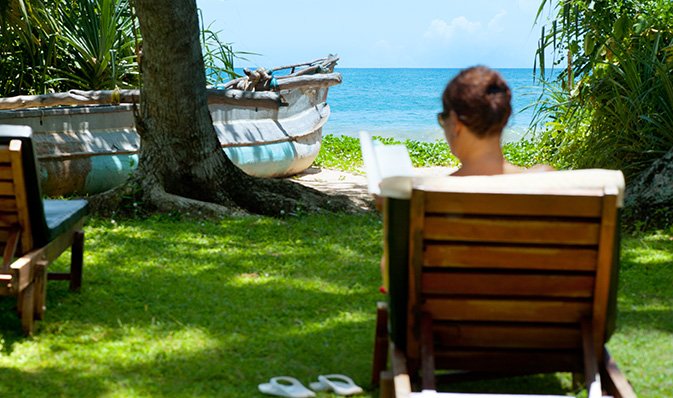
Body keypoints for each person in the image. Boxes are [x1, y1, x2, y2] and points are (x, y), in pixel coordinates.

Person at [438, 65, 552, 176]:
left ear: (454, 122)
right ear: (504, 117)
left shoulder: (435, 190)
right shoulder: (544, 178)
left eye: (442, 118)